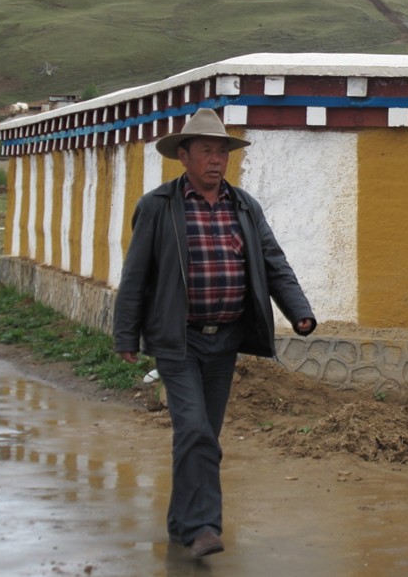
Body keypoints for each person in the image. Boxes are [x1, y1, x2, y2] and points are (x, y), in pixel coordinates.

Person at [113, 107, 316, 559]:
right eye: (206, 151)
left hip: (224, 339)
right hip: (178, 340)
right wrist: (126, 334)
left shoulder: (243, 206)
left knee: (201, 436)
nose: (216, 160)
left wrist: (299, 311)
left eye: (222, 152)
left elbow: (273, 261)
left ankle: (180, 524)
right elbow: (136, 275)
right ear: (183, 156)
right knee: (195, 431)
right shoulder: (158, 207)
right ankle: (203, 526)